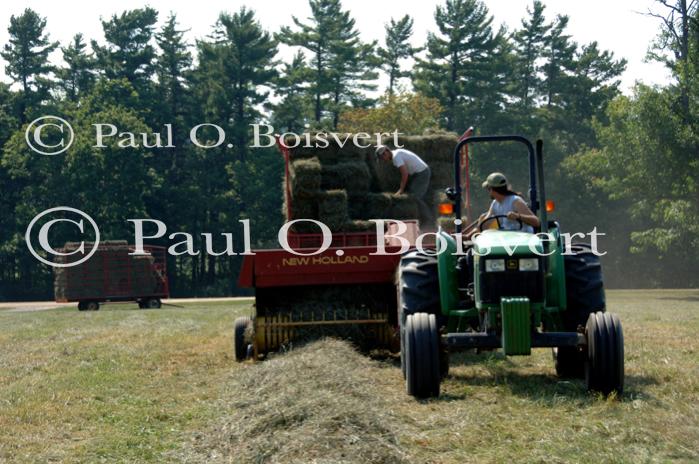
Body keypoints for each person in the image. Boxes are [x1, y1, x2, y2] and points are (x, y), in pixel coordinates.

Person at [375, 145, 433, 225]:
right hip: (417, 174)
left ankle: (429, 220)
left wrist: (401, 189)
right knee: (412, 194)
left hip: (422, 173)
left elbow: (405, 173)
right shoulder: (396, 155)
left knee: (416, 197)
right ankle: (419, 218)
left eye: (382, 158)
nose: (383, 160)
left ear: (386, 152)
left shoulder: (396, 157)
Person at [469, 172, 540, 235]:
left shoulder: (515, 201)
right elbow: (484, 225)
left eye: (488, 189)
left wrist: (518, 216)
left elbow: (536, 222)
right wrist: (482, 220)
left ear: (492, 190)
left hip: (523, 239)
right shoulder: (495, 203)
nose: (488, 192)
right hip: (506, 238)